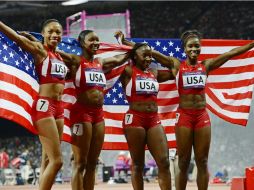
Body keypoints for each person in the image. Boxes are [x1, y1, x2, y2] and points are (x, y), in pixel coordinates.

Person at [117, 30, 254, 190]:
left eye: (197, 46)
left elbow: (230, 54)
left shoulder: (206, 65)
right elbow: (150, 52)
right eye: (190, 46)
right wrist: (126, 43)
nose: (194, 49)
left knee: (202, 161)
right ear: (185, 48)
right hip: (184, 117)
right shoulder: (176, 65)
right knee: (183, 161)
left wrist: (252, 44)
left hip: (202, 116)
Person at [57, 29, 131, 190]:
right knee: (80, 163)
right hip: (81, 114)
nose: (96, 42)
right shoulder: (76, 61)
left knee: (92, 163)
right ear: (82, 43)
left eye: (97, 40)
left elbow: (121, 58)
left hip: (98, 115)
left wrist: (127, 44)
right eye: (92, 40)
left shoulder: (100, 62)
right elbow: (56, 52)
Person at [0, 19, 67, 190]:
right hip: (45, 107)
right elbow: (17, 38)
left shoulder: (59, 55)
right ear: (43, 34)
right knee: (57, 161)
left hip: (59, 109)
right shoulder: (40, 51)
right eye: (50, 31)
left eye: (58, 32)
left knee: (47, 159)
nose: (54, 35)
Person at [115, 40, 174, 190]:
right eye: (145, 56)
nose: (149, 59)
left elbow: (175, 69)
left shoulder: (154, 72)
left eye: (150, 56)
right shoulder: (127, 71)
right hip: (135, 119)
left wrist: (151, 51)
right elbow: (109, 64)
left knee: (164, 162)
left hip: (153, 119)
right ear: (134, 56)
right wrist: (126, 45)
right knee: (138, 164)